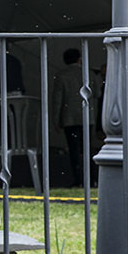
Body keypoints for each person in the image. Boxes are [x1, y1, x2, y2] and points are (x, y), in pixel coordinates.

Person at [50, 47, 100, 187]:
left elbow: (57, 100)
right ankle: (92, 179)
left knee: (74, 151)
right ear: (80, 59)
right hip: (87, 117)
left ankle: (78, 180)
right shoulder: (88, 74)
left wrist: (56, 120)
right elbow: (97, 94)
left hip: (69, 118)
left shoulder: (62, 76)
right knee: (88, 149)